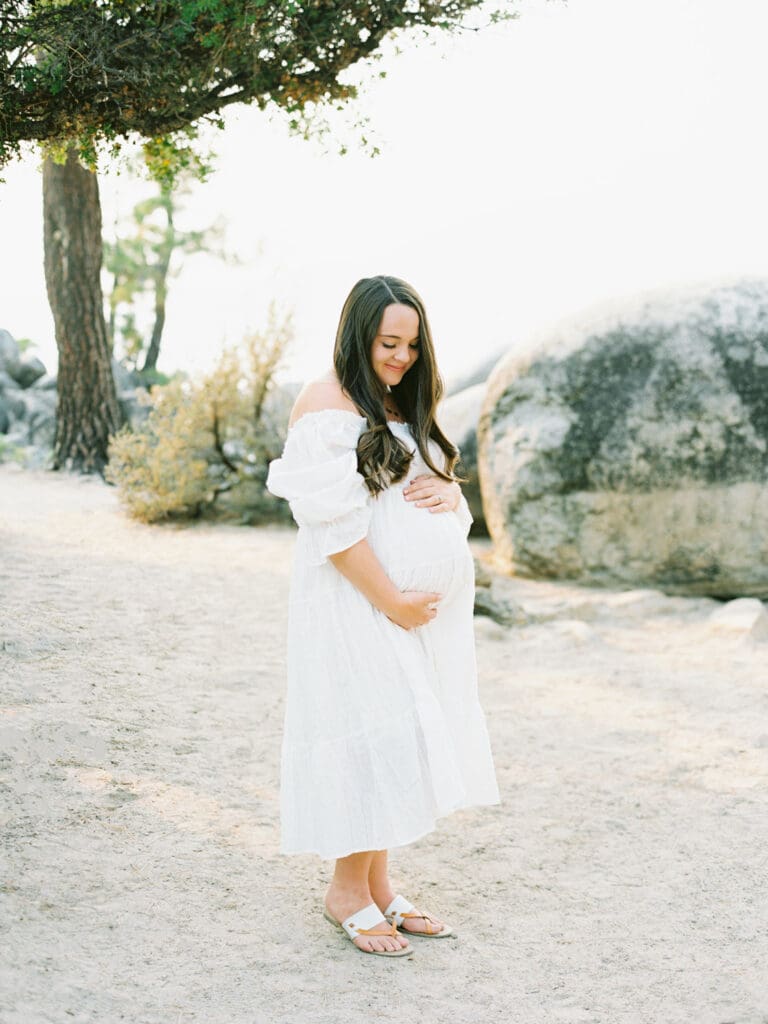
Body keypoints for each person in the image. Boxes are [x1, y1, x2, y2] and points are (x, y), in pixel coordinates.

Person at [266, 275, 500, 958]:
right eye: (387, 343)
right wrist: (392, 599)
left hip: (403, 611)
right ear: (357, 336)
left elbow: (423, 499)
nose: (400, 357)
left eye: (410, 344)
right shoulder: (324, 402)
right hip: (352, 600)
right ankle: (345, 889)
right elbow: (332, 525)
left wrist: (442, 484)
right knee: (370, 731)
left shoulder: (401, 401)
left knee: (405, 731)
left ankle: (378, 883)